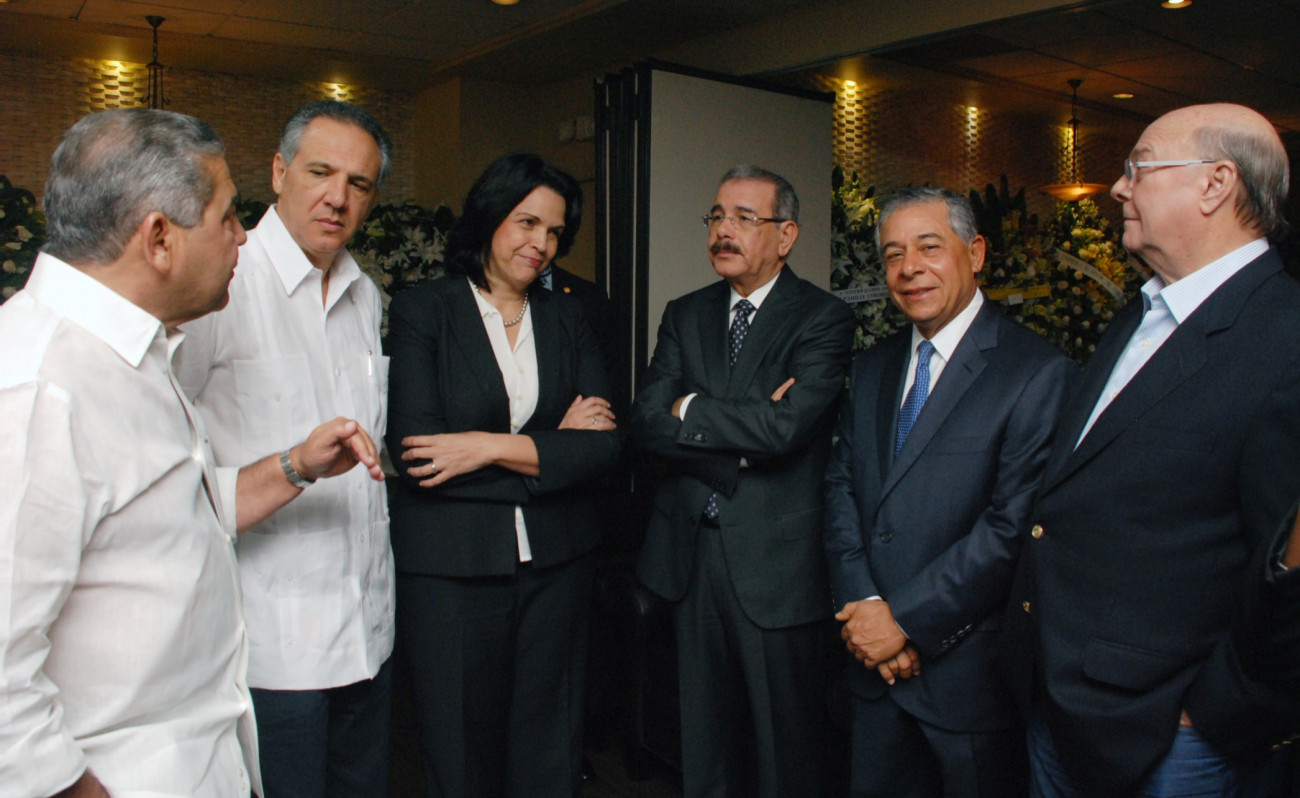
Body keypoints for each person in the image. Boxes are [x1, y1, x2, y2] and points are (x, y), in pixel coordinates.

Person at [0, 108, 383, 798]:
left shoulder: (138, 351)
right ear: (159, 238)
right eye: (228, 216)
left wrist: (297, 464)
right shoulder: (35, 388)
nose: (242, 236)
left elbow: (187, 508)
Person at [1003, 102, 1300, 797]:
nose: (1118, 187)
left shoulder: (1285, 337)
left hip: (1169, 737)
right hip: (1060, 704)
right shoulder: (1140, 313)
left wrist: (1214, 713)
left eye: (1139, 167)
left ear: (1215, 184)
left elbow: (1286, 563)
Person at [823, 186, 1074, 798]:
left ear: (976, 252)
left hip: (968, 682)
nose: (909, 268)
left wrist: (905, 622)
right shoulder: (873, 366)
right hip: (873, 671)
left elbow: (1010, 527)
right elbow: (841, 489)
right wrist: (868, 612)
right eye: (893, 254)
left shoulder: (1036, 371)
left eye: (929, 247)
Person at [175, 100, 395, 796]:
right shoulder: (222, 283)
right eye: (320, 172)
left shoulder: (365, 295)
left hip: (369, 634)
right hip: (269, 647)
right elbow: (164, 464)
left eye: (358, 184)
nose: (337, 197)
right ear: (278, 172)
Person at [385, 152, 621, 797]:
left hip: (557, 565)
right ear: (490, 217)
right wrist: (552, 448)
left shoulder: (570, 317)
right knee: (461, 752)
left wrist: (484, 447)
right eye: (527, 222)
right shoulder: (424, 311)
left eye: (555, 231)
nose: (541, 243)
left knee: (550, 751)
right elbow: (420, 457)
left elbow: (604, 450)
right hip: (451, 566)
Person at [631, 165, 856, 797]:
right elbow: (644, 421)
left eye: (743, 218)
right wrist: (741, 441)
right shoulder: (686, 313)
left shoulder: (823, 318)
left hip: (776, 566)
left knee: (787, 749)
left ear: (786, 236)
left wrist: (690, 407)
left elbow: (787, 429)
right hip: (689, 557)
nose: (723, 230)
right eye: (717, 216)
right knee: (704, 745)